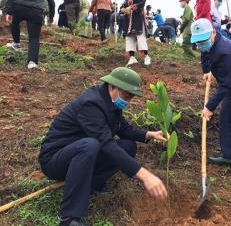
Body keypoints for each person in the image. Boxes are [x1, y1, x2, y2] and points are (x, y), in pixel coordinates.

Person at [39, 67, 168, 226]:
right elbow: (105, 144)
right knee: (91, 145)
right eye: (126, 95)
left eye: (131, 97)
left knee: (127, 146)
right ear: (112, 86)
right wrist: (144, 174)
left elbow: (122, 128)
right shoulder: (91, 104)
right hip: (55, 160)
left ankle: (91, 186)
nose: (128, 101)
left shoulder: (111, 102)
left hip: (80, 157)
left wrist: (149, 134)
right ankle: (69, 217)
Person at [191, 18, 231, 180]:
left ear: (213, 33)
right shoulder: (206, 44)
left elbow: (225, 85)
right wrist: (207, 71)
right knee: (226, 117)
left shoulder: (225, 50)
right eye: (197, 42)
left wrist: (209, 106)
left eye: (203, 41)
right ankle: (229, 155)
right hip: (230, 83)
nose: (201, 45)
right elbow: (205, 57)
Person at [5, 0, 55, 69]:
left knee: (14, 22)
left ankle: (16, 44)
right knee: (34, 38)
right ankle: (32, 62)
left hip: (20, 7)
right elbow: (51, 2)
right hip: (36, 10)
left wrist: (9, 11)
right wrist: (51, 17)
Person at [121, 0, 151, 66]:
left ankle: (146, 57)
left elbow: (142, 3)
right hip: (128, 19)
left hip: (137, 18)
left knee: (140, 37)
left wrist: (131, 7)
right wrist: (123, 9)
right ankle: (132, 57)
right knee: (129, 37)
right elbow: (124, 4)